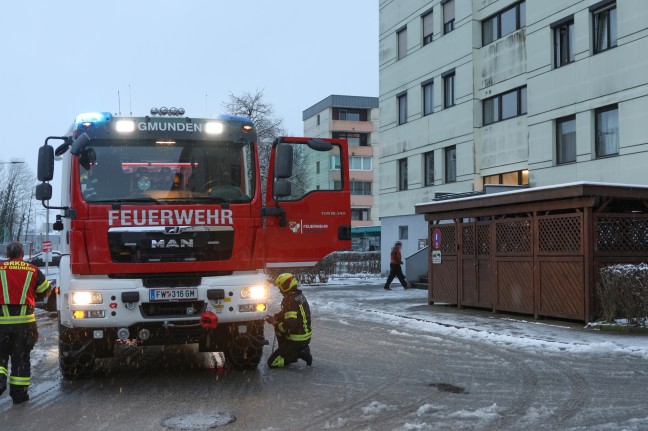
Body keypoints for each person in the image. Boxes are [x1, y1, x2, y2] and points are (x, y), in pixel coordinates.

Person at [0, 242, 51, 404]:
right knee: (20, 359)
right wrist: (32, 295)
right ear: (22, 254)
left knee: (0, 358)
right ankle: (19, 394)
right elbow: (46, 291)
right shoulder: (32, 270)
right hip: (25, 326)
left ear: (7, 255)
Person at [265, 273, 313, 368]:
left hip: (297, 339)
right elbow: (287, 313)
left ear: (286, 286)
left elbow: (289, 327)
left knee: (272, 363)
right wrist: (276, 317)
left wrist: (275, 323)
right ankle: (302, 348)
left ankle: (298, 354)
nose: (280, 291)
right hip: (304, 337)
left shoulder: (291, 300)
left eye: (280, 287)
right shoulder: (298, 295)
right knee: (279, 327)